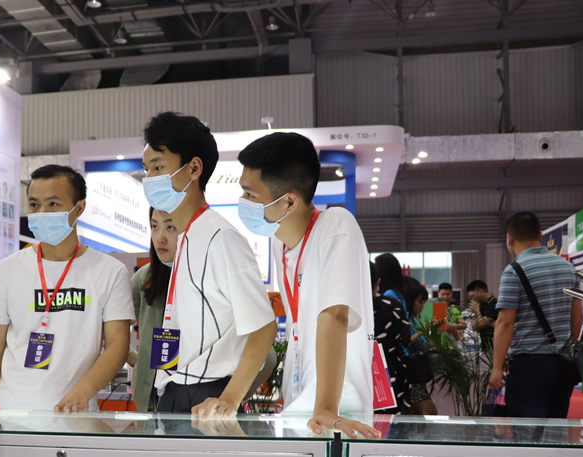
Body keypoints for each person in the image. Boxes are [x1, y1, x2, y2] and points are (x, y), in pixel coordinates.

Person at [236, 131, 378, 437]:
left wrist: (325, 408)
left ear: (289, 201)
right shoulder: (279, 243)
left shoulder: (336, 226)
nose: (243, 202)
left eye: (250, 195)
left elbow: (334, 315)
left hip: (338, 410)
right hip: (300, 404)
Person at [141, 112, 277, 419]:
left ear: (194, 168)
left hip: (207, 394)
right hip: (175, 390)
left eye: (158, 168)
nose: (149, 178)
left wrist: (229, 398)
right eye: (146, 169)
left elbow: (263, 328)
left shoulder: (222, 238)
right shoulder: (186, 236)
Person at [0, 164, 133, 411]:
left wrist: (83, 391)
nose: (42, 213)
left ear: (79, 208)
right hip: (11, 413)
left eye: (53, 204)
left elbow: (118, 344)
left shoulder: (110, 271)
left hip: (76, 414)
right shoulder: (7, 270)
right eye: (34, 205)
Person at [488, 212, 583, 419]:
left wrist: (497, 368)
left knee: (527, 430)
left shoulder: (513, 271)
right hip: (564, 365)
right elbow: (577, 315)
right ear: (540, 235)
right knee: (556, 426)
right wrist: (570, 348)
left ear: (509, 238)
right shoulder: (568, 268)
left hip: (528, 365)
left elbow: (505, 323)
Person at [128, 208, 176, 412]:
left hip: (193, 395)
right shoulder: (144, 278)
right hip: (149, 398)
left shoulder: (207, 276)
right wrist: (139, 362)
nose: (160, 238)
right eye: (154, 227)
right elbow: (112, 330)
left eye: (170, 227)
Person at [370, 262, 411, 414]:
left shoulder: (346, 310)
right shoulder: (393, 305)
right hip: (390, 371)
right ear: (378, 282)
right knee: (390, 422)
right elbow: (405, 339)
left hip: (355, 373)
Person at [403, 277, 438, 415]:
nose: (422, 306)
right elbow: (406, 341)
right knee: (429, 411)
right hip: (411, 373)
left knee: (412, 411)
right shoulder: (405, 320)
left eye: (424, 302)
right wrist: (422, 330)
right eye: (420, 302)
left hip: (415, 373)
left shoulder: (413, 320)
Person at [465, 280, 498, 349]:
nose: (472, 299)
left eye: (473, 296)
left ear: (480, 292)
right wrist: (488, 323)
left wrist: (477, 310)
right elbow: (474, 327)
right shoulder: (481, 305)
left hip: (495, 343)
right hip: (484, 344)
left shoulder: (494, 303)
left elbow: (480, 323)